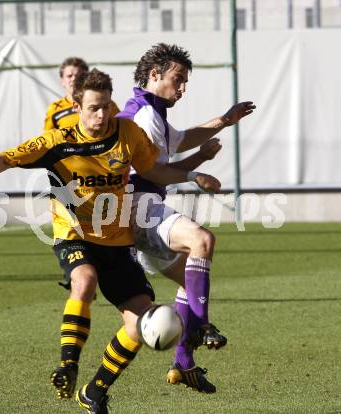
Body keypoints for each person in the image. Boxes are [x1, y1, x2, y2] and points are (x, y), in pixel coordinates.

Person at [0, 68, 221, 413]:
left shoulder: (127, 133)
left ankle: (95, 391)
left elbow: (152, 170)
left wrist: (192, 174)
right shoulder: (58, 141)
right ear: (77, 105)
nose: (101, 116)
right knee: (83, 281)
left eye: (106, 107)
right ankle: (67, 365)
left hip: (116, 241)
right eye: (93, 109)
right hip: (75, 234)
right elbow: (5, 159)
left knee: (138, 323)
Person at [117, 43, 256, 393]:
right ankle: (201, 327)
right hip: (138, 207)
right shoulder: (143, 115)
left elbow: (179, 141)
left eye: (185, 82)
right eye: (177, 79)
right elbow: (157, 169)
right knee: (202, 240)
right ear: (154, 75)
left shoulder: (151, 112)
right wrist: (197, 171)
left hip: (138, 213)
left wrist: (224, 120)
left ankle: (183, 364)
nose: (182, 88)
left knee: (190, 283)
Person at [44, 56, 120, 132]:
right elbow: (47, 139)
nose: (73, 79)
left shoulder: (107, 105)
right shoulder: (54, 109)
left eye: (78, 76)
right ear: (62, 81)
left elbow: (121, 129)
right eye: (69, 76)